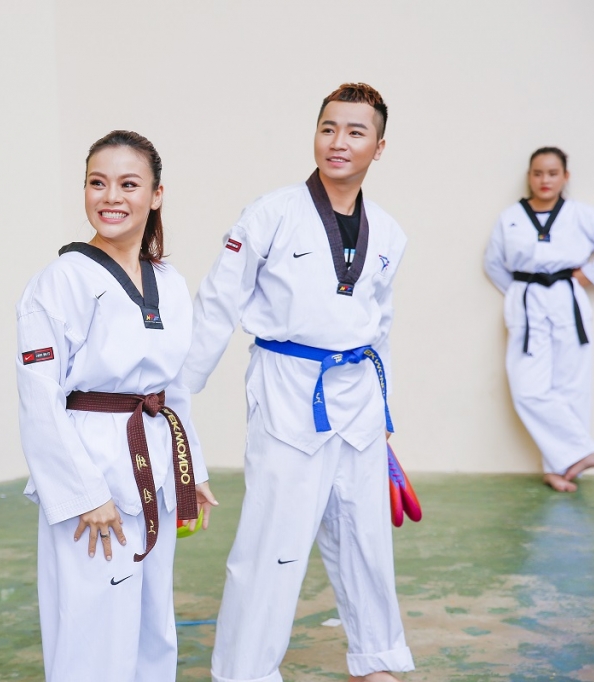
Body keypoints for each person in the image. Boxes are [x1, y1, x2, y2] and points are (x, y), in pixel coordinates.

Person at [181, 84, 413, 682]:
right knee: (272, 543)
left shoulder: (389, 233)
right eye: (328, 128)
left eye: (356, 132)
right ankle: (245, 672)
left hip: (359, 398)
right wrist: (174, 395)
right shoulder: (271, 213)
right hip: (289, 389)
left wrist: (384, 414)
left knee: (365, 537)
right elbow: (217, 303)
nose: (338, 142)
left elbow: (381, 326)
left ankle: (377, 658)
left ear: (379, 147)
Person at [16, 130, 217, 681]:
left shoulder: (169, 282)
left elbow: (174, 388)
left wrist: (192, 470)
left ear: (156, 195)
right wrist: (85, 493)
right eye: (97, 183)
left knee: (153, 623)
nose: (110, 197)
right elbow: (39, 399)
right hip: (92, 469)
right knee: (93, 627)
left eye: (128, 184)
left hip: (155, 461)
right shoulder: (59, 281)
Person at [484, 147, 594, 492]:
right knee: (528, 389)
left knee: (571, 386)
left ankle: (560, 469)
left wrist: (587, 275)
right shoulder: (511, 217)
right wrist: (522, 292)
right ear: (529, 176)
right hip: (528, 301)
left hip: (567, 299)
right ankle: (584, 451)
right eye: (538, 173)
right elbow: (493, 263)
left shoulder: (580, 214)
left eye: (552, 173)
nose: (544, 180)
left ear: (565, 176)